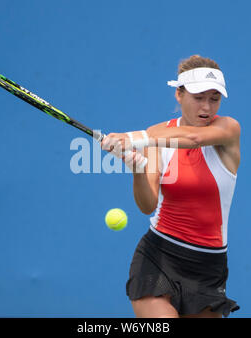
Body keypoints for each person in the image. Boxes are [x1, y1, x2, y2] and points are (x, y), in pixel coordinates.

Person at [102, 55, 241, 318]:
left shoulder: (228, 129)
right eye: (199, 97)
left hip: (208, 266)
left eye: (214, 98)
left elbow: (193, 137)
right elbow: (147, 205)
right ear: (179, 94)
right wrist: (138, 170)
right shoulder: (156, 134)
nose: (207, 107)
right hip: (159, 256)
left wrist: (133, 138)